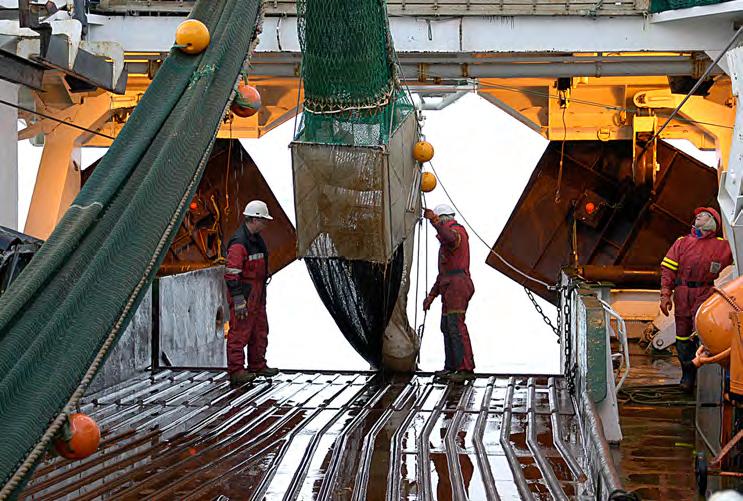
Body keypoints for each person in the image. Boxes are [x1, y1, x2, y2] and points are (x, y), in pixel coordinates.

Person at [660, 207, 733, 393]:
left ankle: (709, 383)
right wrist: (665, 295)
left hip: (705, 294)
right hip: (683, 293)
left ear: (713, 223)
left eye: (704, 215)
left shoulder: (723, 246)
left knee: (705, 335)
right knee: (682, 337)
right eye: (698, 215)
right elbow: (668, 270)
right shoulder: (681, 243)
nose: (698, 216)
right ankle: (688, 376)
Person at [224, 200, 278, 388]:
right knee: (239, 332)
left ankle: (257, 365)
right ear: (254, 219)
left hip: (257, 295)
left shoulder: (256, 239)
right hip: (245, 296)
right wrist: (238, 299)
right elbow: (232, 274)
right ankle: (236, 371)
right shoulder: (239, 243)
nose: (265, 224)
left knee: (259, 330)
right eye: (263, 220)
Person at [422, 204, 476, 382]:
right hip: (450, 286)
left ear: (443, 219)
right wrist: (431, 296)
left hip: (457, 287)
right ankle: (452, 367)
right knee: (447, 326)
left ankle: (465, 369)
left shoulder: (456, 232)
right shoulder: (446, 245)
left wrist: (434, 221)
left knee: (455, 326)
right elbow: (443, 274)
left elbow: (450, 238)